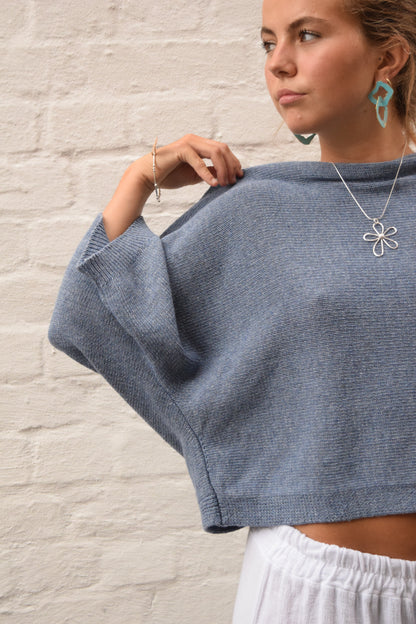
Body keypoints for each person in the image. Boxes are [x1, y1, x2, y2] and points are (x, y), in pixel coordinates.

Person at [49, 0, 416, 621]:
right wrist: (140, 177)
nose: (279, 63)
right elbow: (88, 315)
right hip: (318, 588)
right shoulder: (255, 210)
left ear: (389, 56)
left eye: (307, 35)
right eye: (268, 43)